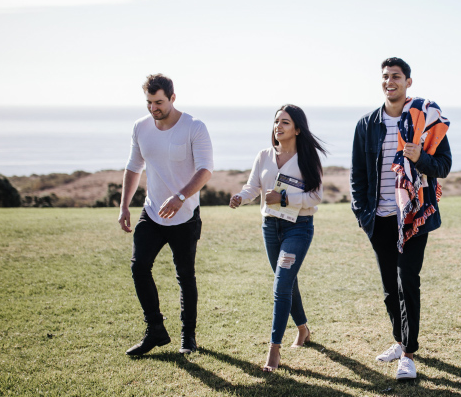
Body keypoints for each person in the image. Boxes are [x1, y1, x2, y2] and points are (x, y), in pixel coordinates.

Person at [350, 57, 452, 380]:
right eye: (385, 76)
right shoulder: (366, 125)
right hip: (379, 218)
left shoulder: (424, 120)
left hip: (413, 217)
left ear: (409, 82)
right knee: (388, 290)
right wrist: (364, 216)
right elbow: (358, 176)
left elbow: (444, 166)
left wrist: (420, 156)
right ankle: (399, 339)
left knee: (407, 280)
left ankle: (408, 354)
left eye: (396, 76)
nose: (389, 81)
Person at [119, 73, 213, 356]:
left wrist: (180, 196)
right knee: (139, 267)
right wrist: (124, 205)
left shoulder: (194, 127)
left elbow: (205, 170)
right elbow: (134, 167)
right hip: (152, 212)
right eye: (149, 102)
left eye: (159, 102)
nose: (153, 108)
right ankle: (155, 330)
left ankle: (188, 337)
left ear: (172, 98)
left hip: (184, 215)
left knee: (185, 275)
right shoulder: (140, 127)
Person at [228, 104, 326, 372]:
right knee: (287, 282)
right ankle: (303, 329)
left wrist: (283, 198)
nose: (278, 126)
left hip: (298, 227)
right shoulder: (263, 155)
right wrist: (241, 197)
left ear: (297, 128)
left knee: (281, 284)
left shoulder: (308, 157)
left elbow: (316, 196)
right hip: (270, 228)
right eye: (276, 122)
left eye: (285, 122)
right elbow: (252, 187)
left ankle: (274, 350)